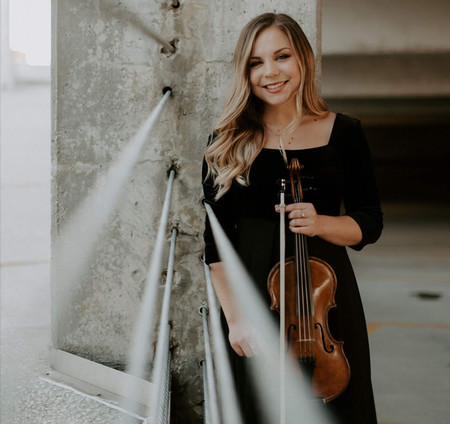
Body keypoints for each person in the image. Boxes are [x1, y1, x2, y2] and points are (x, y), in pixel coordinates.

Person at [202, 13, 382, 424]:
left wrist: (322, 224)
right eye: (256, 62)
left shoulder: (345, 134)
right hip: (254, 302)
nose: (270, 72)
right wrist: (237, 321)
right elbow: (215, 247)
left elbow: (369, 222)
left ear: (302, 59)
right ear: (245, 72)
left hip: (324, 304)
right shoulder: (227, 141)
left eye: (281, 56)